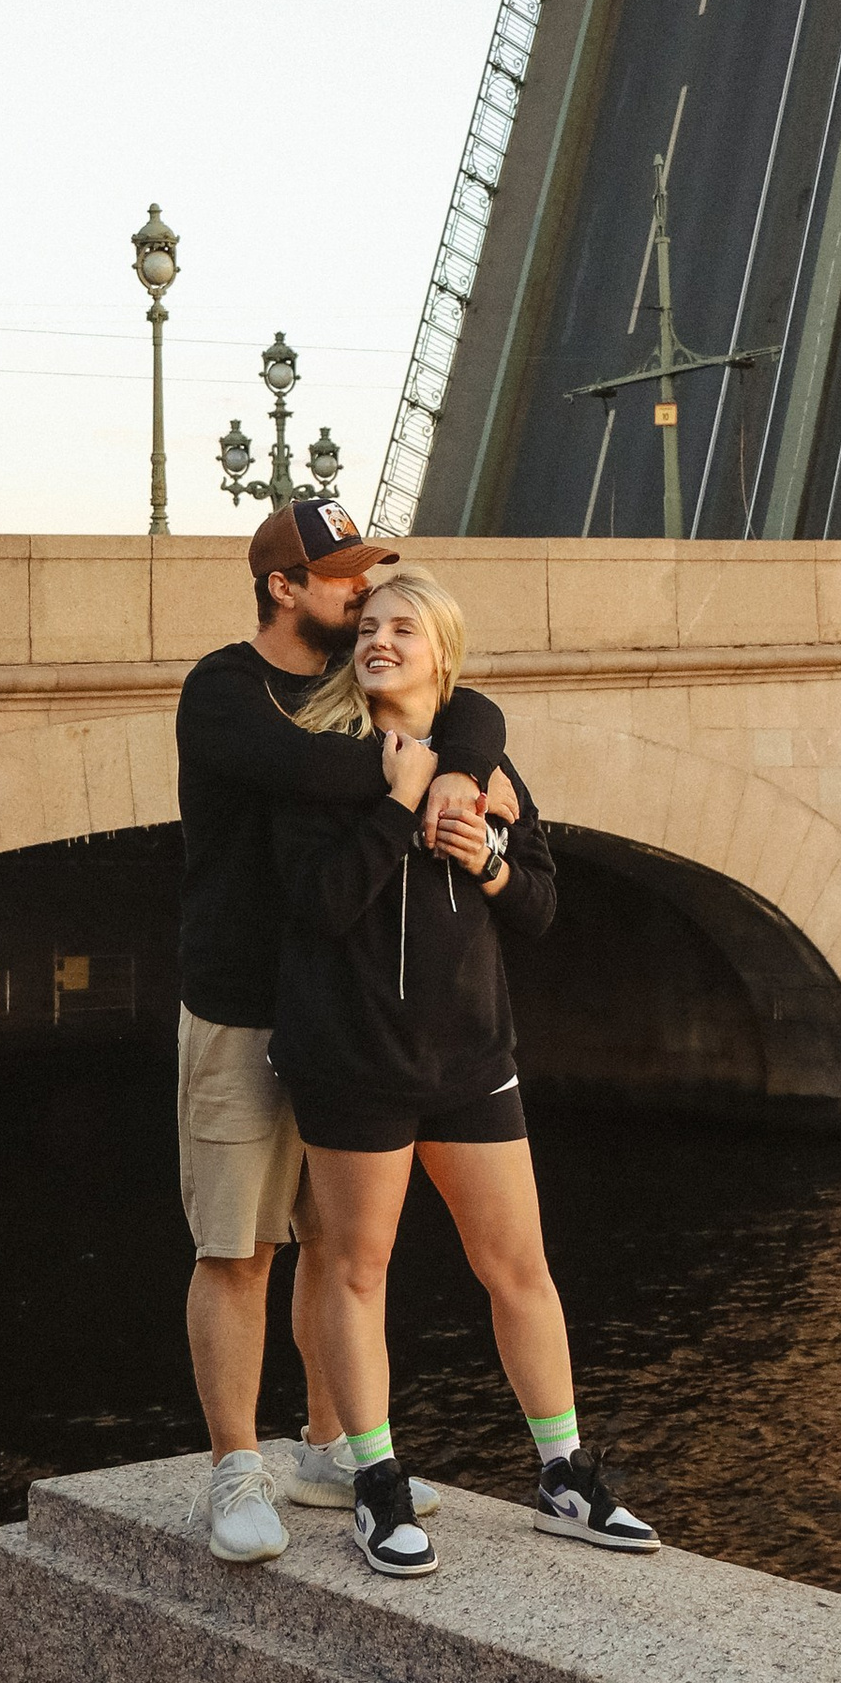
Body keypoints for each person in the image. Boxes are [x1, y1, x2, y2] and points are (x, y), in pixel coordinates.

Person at [272, 562, 658, 1577]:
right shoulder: (320, 760)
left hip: (471, 1060)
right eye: (370, 627)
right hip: (353, 1061)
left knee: (516, 1267)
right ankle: (377, 1483)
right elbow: (313, 906)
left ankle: (565, 1474)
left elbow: (537, 905)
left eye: (404, 628)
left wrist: (483, 855)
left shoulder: (486, 761)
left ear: (441, 652)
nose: (380, 640)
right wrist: (398, 812)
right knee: (358, 1270)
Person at [173, 497, 510, 1562]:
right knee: (238, 1246)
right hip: (239, 1007)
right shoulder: (225, 692)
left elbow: (473, 707)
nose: (365, 595)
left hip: (341, 1011)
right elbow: (304, 774)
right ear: (284, 586)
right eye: (343, 578)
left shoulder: (339, 683)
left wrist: (452, 763)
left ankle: (330, 1443)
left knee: (332, 1239)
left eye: (371, 578)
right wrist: (400, 771)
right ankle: (235, 1468)